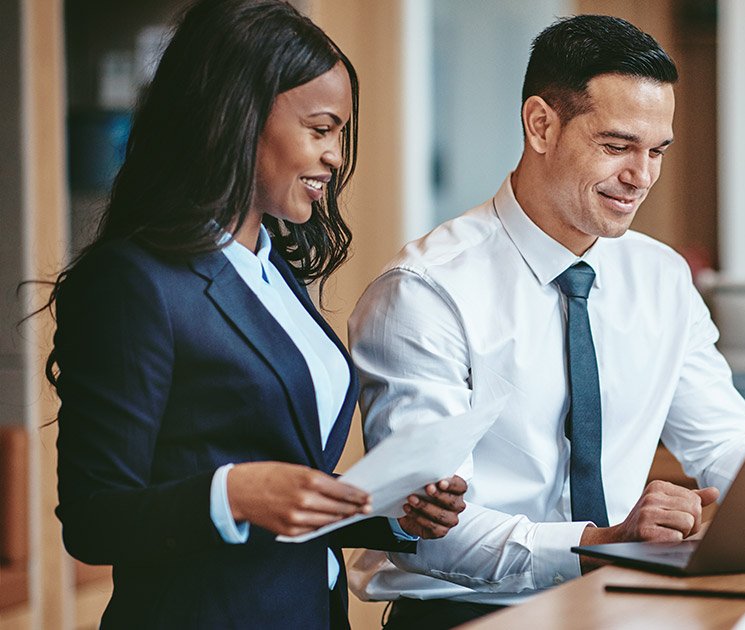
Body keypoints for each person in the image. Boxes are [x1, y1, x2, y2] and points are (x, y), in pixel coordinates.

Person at [45, 1, 466, 628]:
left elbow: (283, 478)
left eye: (341, 133)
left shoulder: (273, 271)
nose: (335, 156)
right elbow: (93, 517)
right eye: (320, 129)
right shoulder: (136, 283)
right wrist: (234, 493)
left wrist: (386, 509)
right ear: (239, 118)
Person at [347, 14, 745, 629]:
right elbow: (431, 532)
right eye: (617, 147)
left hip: (623, 610)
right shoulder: (426, 293)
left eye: (656, 152)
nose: (641, 178)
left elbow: (724, 442)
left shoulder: (662, 277)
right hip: (468, 619)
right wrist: (605, 541)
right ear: (541, 124)